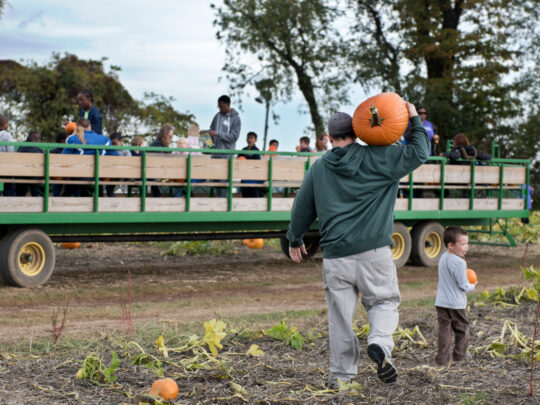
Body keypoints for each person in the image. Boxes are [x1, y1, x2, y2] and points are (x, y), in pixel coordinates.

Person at [286, 103, 429, 387]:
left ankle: (341, 378)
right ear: (357, 132)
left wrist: (294, 239)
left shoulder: (319, 168)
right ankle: (379, 344)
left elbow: (302, 208)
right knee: (384, 302)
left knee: (339, 319)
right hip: (374, 252)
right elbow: (420, 151)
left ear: (329, 137)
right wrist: (413, 117)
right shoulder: (379, 157)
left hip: (336, 256)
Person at [435, 226, 476, 365]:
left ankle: (442, 359)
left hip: (441, 302)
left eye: (467, 244)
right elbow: (463, 285)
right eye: (463, 244)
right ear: (451, 245)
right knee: (462, 329)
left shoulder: (443, 257)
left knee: (444, 330)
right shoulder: (460, 262)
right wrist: (473, 285)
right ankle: (460, 355)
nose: (466, 247)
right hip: (456, 303)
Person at [62, 118, 118, 196]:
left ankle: (75, 201)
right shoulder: (105, 139)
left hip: (79, 175)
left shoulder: (72, 138)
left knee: (71, 179)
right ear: (89, 126)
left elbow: (63, 158)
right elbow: (116, 157)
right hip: (99, 175)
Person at [202, 95, 241, 197]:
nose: (219, 109)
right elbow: (212, 131)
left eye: (221, 106)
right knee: (217, 184)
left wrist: (219, 134)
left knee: (224, 184)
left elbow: (234, 137)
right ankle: (220, 206)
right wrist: (205, 132)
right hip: (215, 155)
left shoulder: (236, 119)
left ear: (228, 105)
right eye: (218, 106)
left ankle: (226, 208)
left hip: (227, 156)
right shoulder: (217, 116)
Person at [149, 124, 174, 197]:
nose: (171, 138)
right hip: (152, 172)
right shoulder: (157, 145)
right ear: (164, 135)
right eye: (170, 136)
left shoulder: (162, 145)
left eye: (171, 136)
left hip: (157, 172)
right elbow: (164, 161)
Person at [15, 131, 43, 197]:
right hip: (33, 176)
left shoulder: (21, 147)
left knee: (20, 192)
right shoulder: (36, 150)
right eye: (38, 139)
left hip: (21, 175)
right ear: (32, 140)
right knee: (36, 189)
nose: (39, 141)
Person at [238, 131, 263, 198]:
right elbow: (238, 159)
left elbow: (257, 163)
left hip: (253, 176)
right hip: (244, 175)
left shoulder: (256, 150)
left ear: (255, 140)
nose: (249, 140)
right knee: (244, 193)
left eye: (251, 138)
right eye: (248, 138)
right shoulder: (243, 149)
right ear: (246, 139)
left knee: (253, 193)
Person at [0, 114, 16, 196]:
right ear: (5, 124)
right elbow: (11, 153)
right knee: (10, 192)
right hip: (4, 170)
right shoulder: (6, 135)